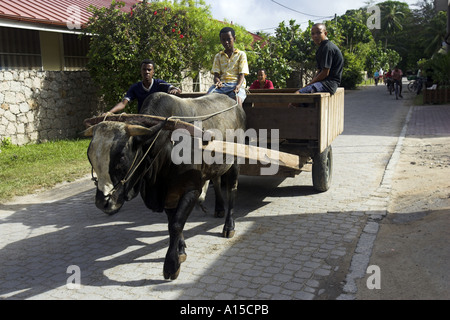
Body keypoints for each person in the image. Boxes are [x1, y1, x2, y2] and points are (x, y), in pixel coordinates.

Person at [107, 59, 181, 114]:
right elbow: (123, 103)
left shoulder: (159, 84)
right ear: (141, 71)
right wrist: (109, 113)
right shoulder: (135, 87)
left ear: (153, 72)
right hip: (143, 119)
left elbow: (174, 89)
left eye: (149, 70)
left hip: (159, 119)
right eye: (144, 70)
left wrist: (174, 89)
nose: (146, 72)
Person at [295, 23, 344, 96]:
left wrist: (309, 84)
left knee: (297, 95)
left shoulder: (327, 48)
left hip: (328, 84)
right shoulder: (321, 48)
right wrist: (310, 84)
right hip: (323, 83)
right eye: (313, 34)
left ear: (325, 33)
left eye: (319, 33)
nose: (315, 36)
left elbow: (325, 72)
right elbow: (319, 71)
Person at [207, 27, 249, 106]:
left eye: (229, 39)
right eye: (223, 40)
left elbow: (241, 74)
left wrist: (238, 86)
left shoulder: (241, 54)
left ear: (234, 39)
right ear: (220, 40)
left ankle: (239, 118)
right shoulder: (218, 56)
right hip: (222, 86)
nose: (226, 42)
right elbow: (216, 75)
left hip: (235, 85)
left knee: (237, 100)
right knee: (207, 99)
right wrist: (217, 82)